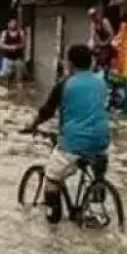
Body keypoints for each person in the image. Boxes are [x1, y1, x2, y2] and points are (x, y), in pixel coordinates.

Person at [22, 43, 111, 224]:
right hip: (101, 141)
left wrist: (33, 125)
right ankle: (96, 200)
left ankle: (52, 222)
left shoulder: (64, 84)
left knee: (52, 177)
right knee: (96, 174)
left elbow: (47, 111)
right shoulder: (101, 82)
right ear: (91, 62)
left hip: (74, 142)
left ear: (70, 63)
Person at [0, 18, 27, 82]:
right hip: (7, 58)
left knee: (19, 78)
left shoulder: (21, 32)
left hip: (18, 58)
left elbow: (24, 44)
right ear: (8, 24)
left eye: (14, 23)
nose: (13, 24)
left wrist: (16, 47)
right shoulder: (4, 33)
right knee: (4, 76)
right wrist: (9, 47)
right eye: (11, 23)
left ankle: (18, 89)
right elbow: (0, 44)